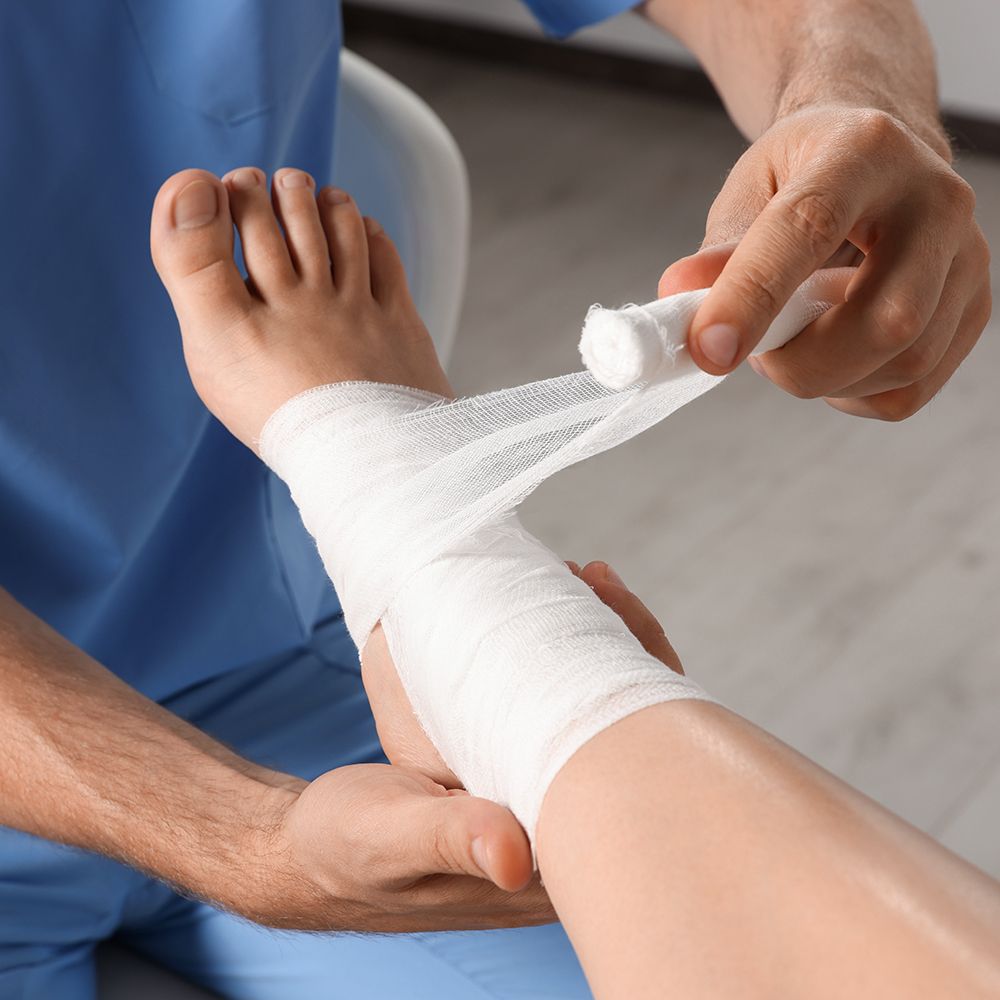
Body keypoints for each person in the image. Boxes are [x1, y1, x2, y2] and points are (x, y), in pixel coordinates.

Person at [0, 0, 990, 996]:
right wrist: (246, 841)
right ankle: (450, 594)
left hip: (279, 681)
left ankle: (439, 588)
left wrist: (852, 100)